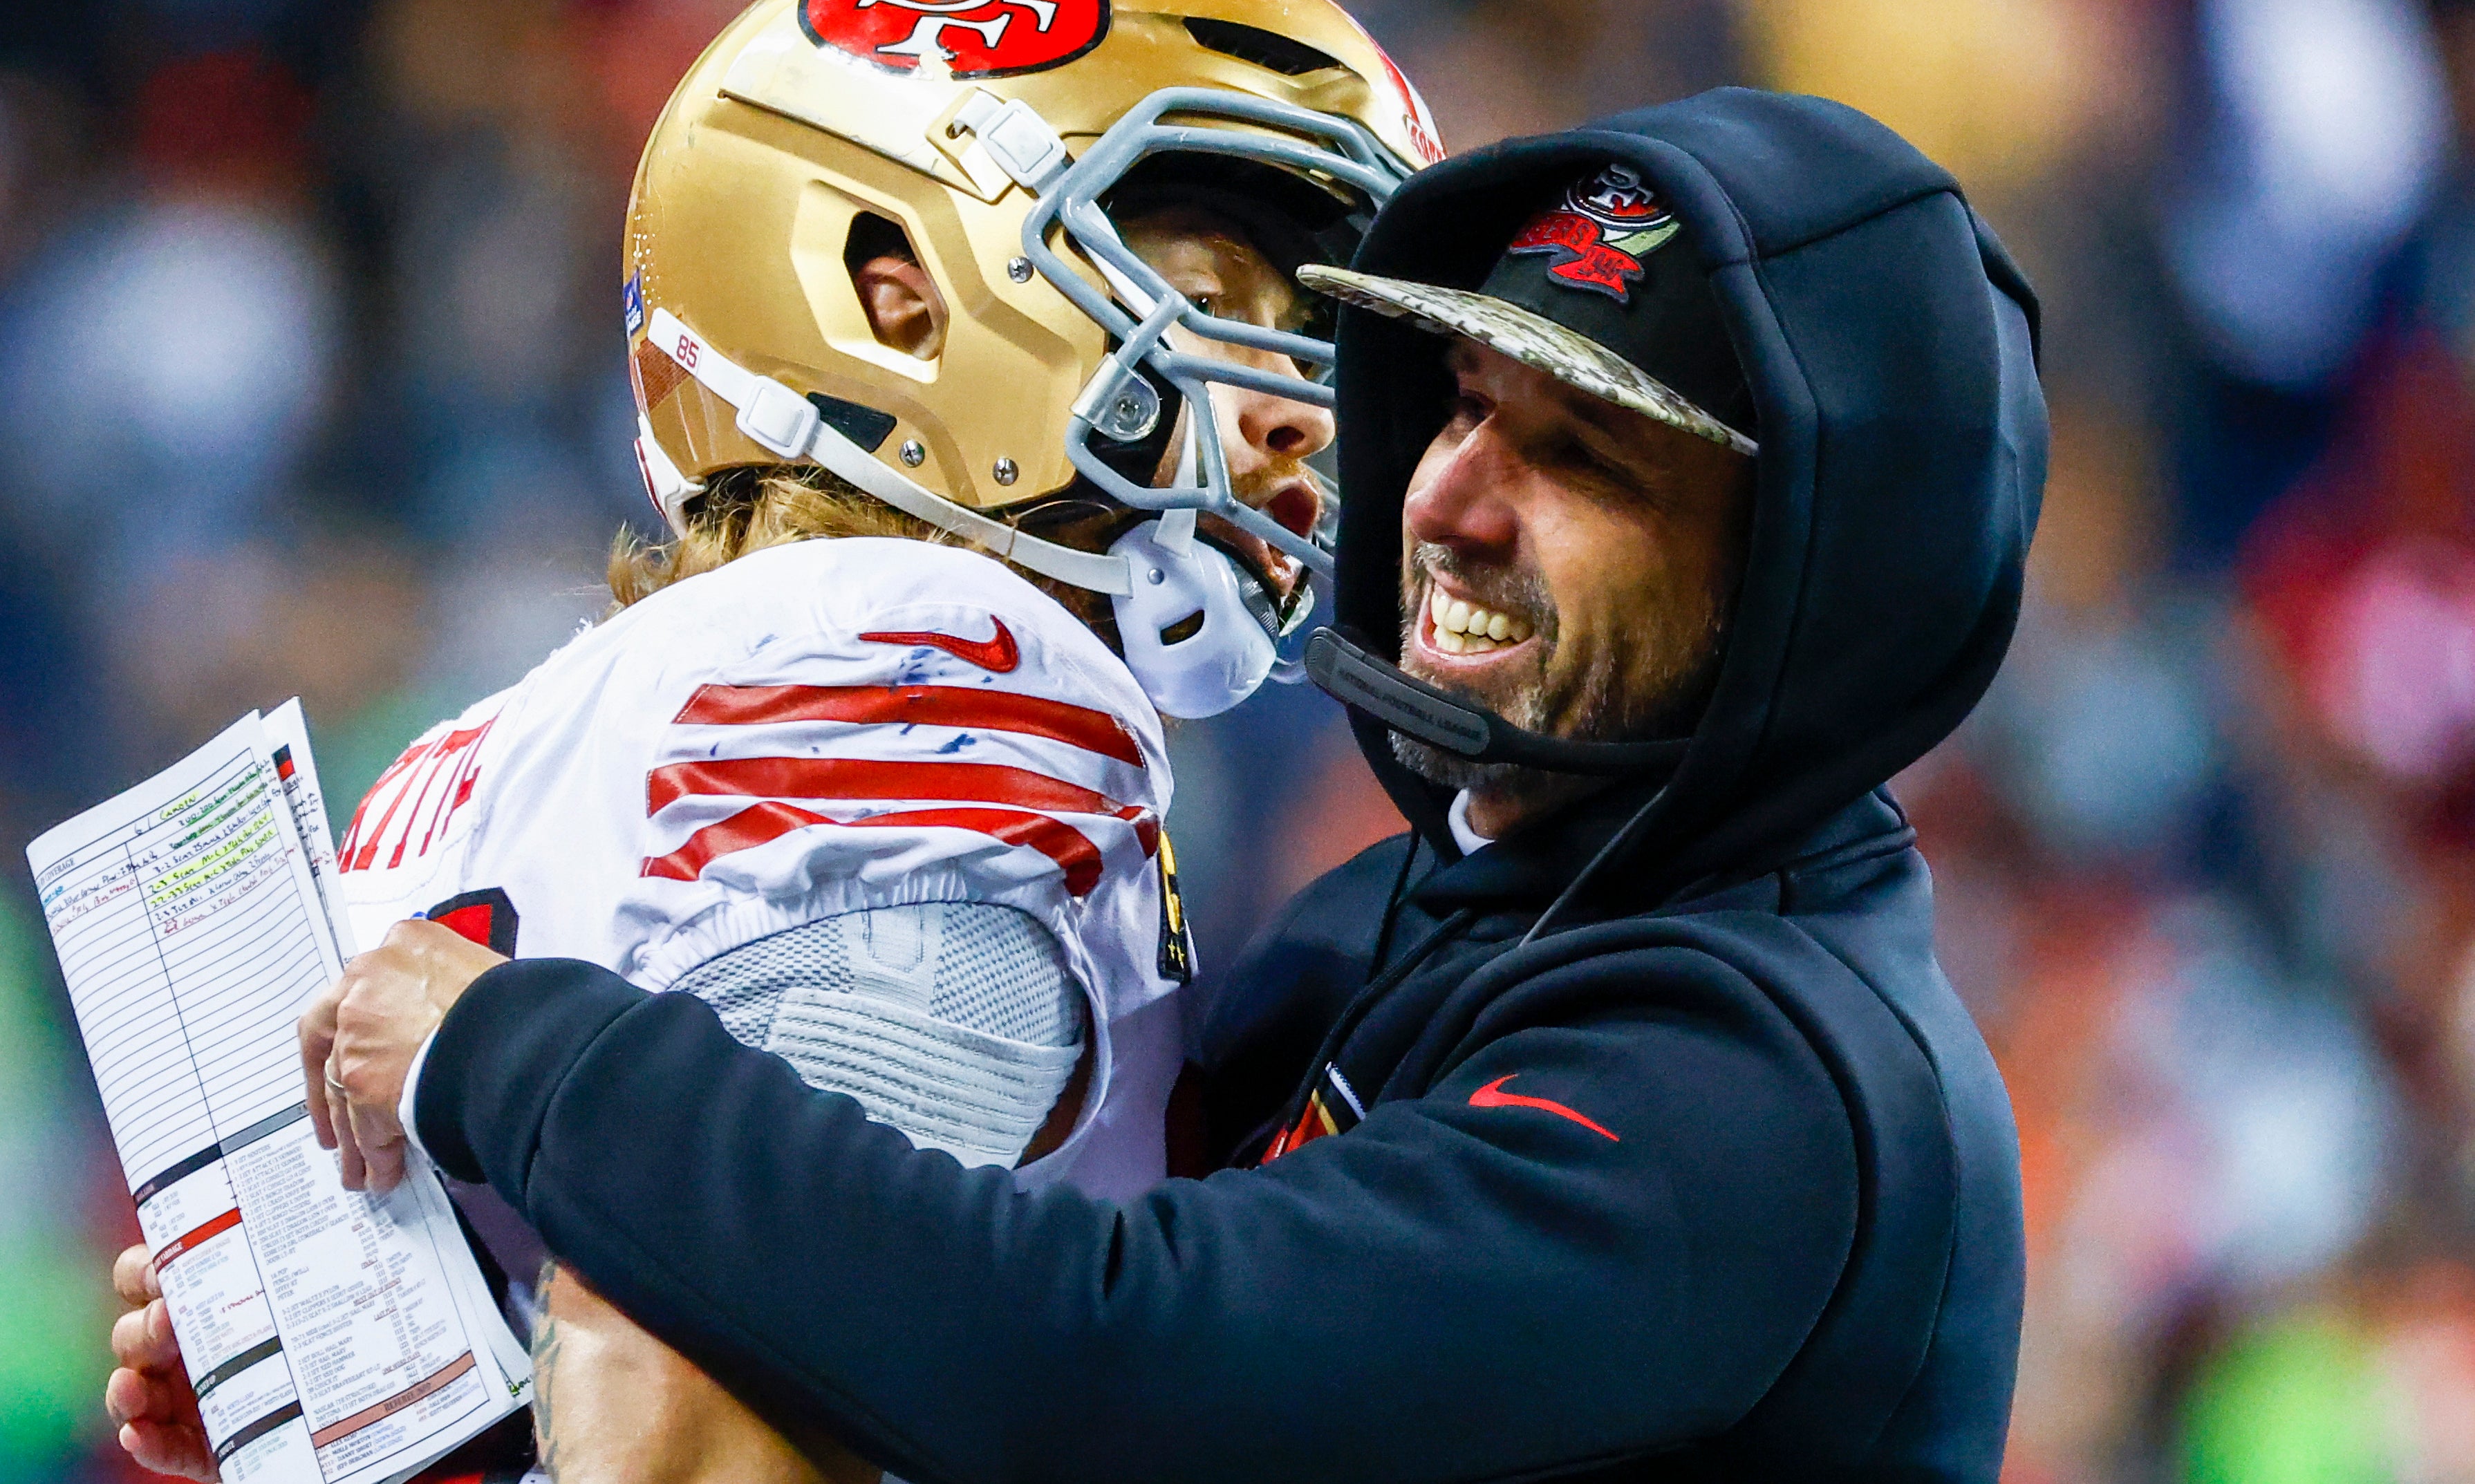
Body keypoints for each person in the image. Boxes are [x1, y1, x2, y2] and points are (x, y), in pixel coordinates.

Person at [127, 89, 2044, 1479]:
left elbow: (1108, 1367)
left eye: (1589, 463)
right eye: (1463, 404)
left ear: (1806, 589)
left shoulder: (1767, 1085)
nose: (1447, 501)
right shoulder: (1392, 921)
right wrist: (416, 1380)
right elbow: (925, 1306)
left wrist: (532, 1057)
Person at [101, 0, 1433, 1484]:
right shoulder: (940, 653)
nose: (1295, 415)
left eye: (1310, 343)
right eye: (1212, 294)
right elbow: (718, 1333)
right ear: (892, 294)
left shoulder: (499, 735)